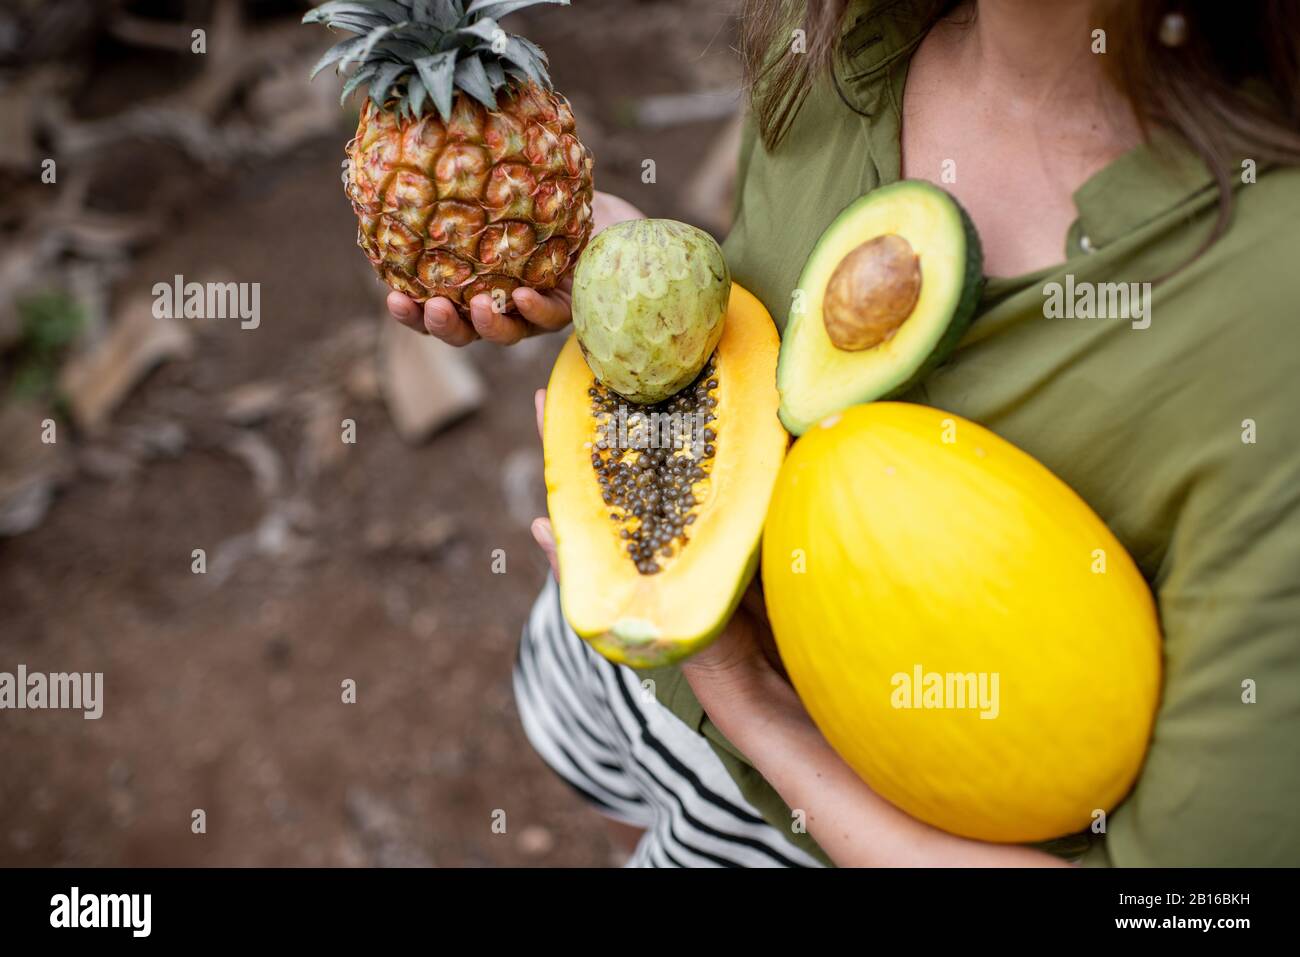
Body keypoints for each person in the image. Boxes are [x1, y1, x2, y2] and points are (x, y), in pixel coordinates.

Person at [387, 0, 1300, 867]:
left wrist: (747, 702)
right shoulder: (826, 26)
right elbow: (768, 317)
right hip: (619, 652)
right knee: (618, 794)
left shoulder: (1274, 321)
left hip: (838, 831)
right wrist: (618, 277)